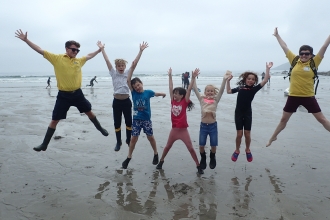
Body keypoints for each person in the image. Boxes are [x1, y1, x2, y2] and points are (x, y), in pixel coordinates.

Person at [15, 29, 109, 152]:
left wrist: (100, 49)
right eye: (73, 49)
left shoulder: (78, 61)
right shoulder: (57, 58)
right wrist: (26, 40)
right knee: (54, 120)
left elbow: (89, 56)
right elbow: (40, 50)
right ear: (67, 49)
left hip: (77, 94)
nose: (76, 52)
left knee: (89, 112)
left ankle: (100, 128)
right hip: (63, 95)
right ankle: (44, 144)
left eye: (77, 50)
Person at [266, 27, 330, 147]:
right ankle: (273, 137)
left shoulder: (314, 62)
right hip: (293, 96)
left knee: (322, 120)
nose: (304, 55)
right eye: (302, 53)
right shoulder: (295, 60)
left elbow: (324, 46)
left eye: (307, 53)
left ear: (311, 55)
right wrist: (277, 36)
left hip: (308, 97)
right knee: (283, 120)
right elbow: (284, 47)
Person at [97, 41, 148, 151]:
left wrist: (140, 51)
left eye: (122, 65)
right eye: (119, 66)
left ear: (125, 67)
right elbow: (107, 61)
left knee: (129, 122)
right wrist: (102, 49)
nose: (121, 67)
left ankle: (128, 139)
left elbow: (134, 63)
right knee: (117, 122)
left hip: (126, 102)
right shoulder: (113, 73)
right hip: (116, 102)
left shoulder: (127, 73)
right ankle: (118, 141)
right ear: (116, 67)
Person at [156, 68, 204, 174]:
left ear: (182, 95)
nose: (174, 95)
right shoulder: (173, 101)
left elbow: (189, 88)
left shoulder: (184, 102)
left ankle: (198, 165)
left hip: (183, 131)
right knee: (167, 146)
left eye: (176, 93)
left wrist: (193, 78)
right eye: (174, 93)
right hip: (174, 130)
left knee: (190, 148)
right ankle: (161, 162)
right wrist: (169, 76)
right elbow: (170, 87)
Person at [122, 60, 166, 169]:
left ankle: (155, 153)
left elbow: (156, 94)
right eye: (135, 86)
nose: (137, 87)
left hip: (146, 120)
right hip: (136, 120)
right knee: (133, 139)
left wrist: (163, 94)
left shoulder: (148, 92)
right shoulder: (133, 93)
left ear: (141, 84)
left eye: (138, 85)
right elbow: (128, 80)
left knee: (150, 137)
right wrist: (132, 68)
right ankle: (129, 157)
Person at [227, 62, 273, 162]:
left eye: (253, 79)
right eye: (249, 79)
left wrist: (267, 69)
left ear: (255, 81)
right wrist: (228, 81)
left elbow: (265, 80)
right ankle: (237, 150)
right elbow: (228, 91)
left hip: (248, 113)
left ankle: (248, 150)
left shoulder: (254, 89)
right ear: (245, 79)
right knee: (239, 134)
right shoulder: (240, 88)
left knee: (247, 134)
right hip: (238, 113)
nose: (251, 81)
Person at [193, 70, 231, 170]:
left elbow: (222, 90)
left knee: (213, 145)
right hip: (203, 126)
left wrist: (224, 79)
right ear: (205, 92)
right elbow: (195, 89)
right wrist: (193, 78)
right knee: (201, 145)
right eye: (208, 90)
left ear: (214, 92)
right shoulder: (201, 99)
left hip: (213, 126)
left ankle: (212, 157)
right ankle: (203, 158)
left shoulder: (215, 99)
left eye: (211, 91)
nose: (209, 92)